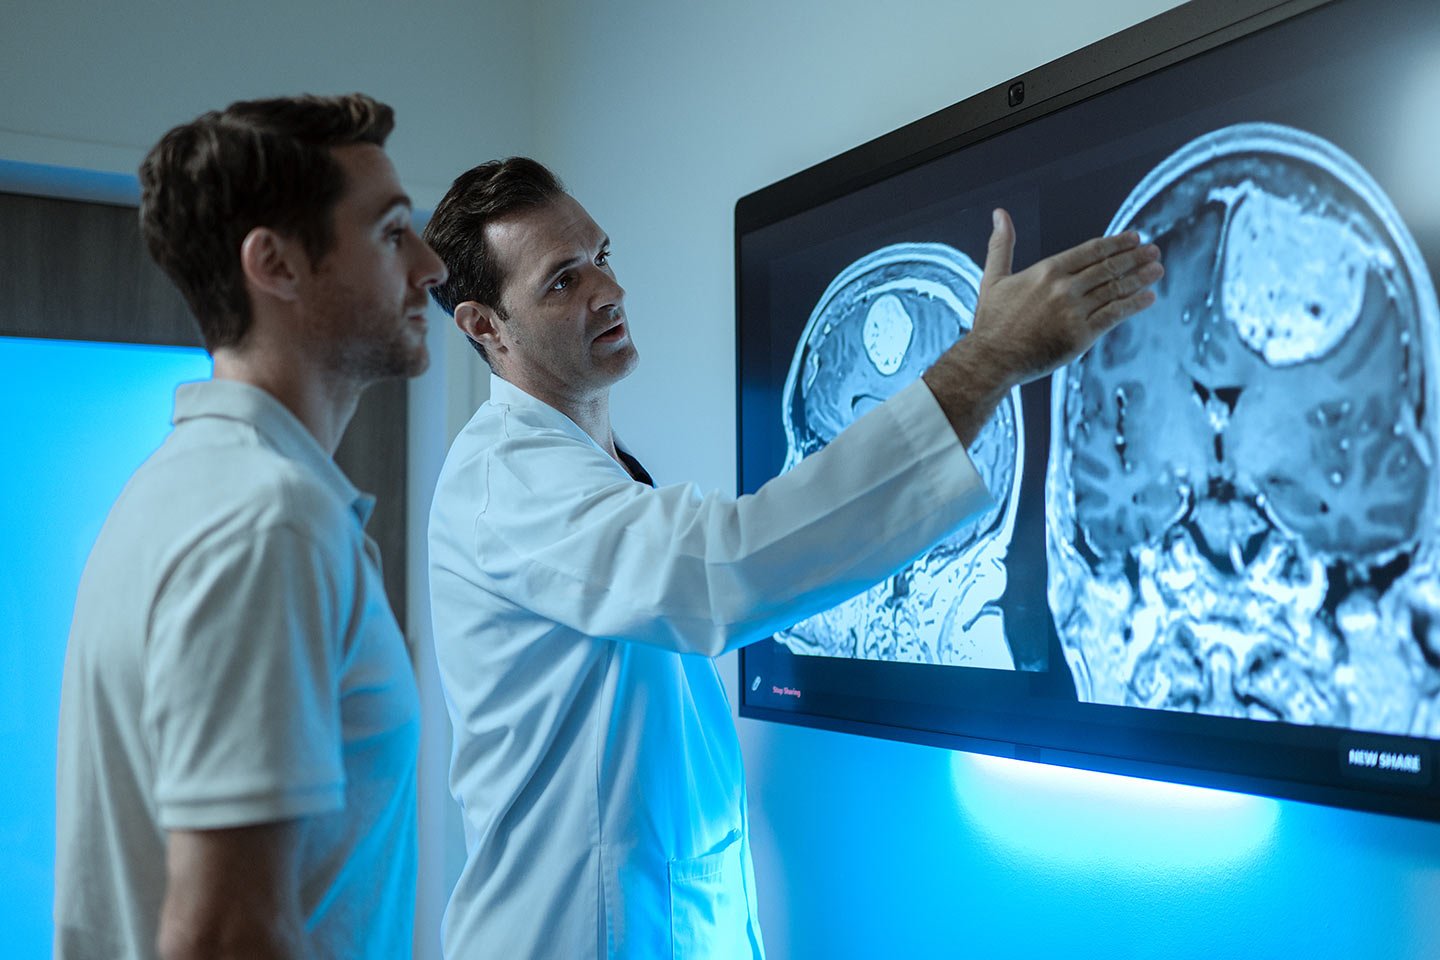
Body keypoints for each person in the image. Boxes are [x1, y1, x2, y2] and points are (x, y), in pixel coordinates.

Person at [422, 157, 1162, 959]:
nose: (609, 292)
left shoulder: (592, 468)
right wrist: (986, 362)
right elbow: (722, 572)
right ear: (485, 326)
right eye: (562, 281)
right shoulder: (508, 480)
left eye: (602, 258)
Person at [54, 93, 447, 959]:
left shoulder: (174, 491)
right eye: (391, 233)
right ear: (275, 264)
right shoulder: (269, 524)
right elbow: (229, 937)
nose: (431, 266)